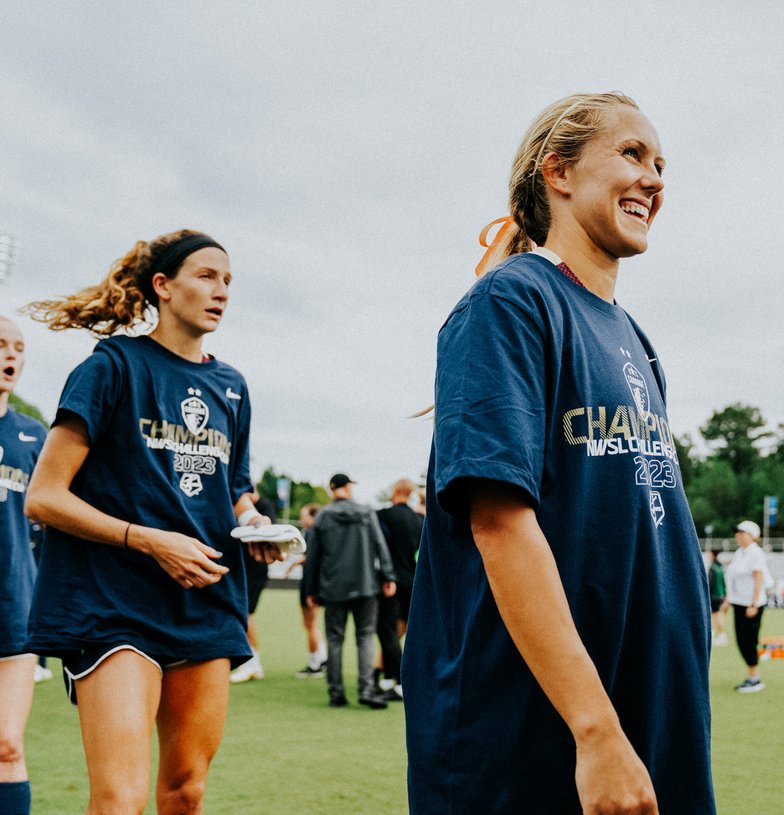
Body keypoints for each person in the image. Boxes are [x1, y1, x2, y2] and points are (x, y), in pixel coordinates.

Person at [404, 92, 714, 815]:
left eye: (662, 164)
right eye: (633, 154)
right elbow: (500, 525)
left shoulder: (635, 339)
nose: (654, 178)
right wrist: (595, 727)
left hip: (648, 718)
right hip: (535, 737)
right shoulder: (509, 305)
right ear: (559, 172)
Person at [21, 230, 281, 815]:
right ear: (162, 286)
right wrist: (146, 539)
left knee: (185, 793)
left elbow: (234, 485)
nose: (221, 292)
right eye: (206, 276)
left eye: (228, 281)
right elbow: (44, 497)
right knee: (119, 800)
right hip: (113, 603)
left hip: (205, 601)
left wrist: (254, 522)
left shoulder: (232, 386)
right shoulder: (113, 366)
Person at [0, 316, 46, 815]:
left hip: (15, 610)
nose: (11, 355)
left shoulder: (34, 437)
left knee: (7, 746)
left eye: (18, 347)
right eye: (0, 345)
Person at [302, 474, 395, 709]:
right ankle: (366, 689)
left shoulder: (323, 516)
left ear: (332, 489)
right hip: (366, 585)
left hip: (333, 588)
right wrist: (388, 575)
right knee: (364, 638)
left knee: (334, 639)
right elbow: (380, 545)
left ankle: (336, 693)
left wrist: (311, 589)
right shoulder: (366, 512)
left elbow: (313, 556)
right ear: (347, 487)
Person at [373, 478, 422, 700]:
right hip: (412, 581)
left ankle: (399, 681)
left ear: (395, 490)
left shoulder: (383, 515)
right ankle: (382, 676)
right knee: (398, 633)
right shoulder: (418, 520)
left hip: (389, 582)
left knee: (388, 633)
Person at [229, 491, 277, 683]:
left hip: (255, 570)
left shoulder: (264, 507)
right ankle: (250, 664)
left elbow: (266, 532)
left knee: (244, 614)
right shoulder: (235, 503)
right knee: (241, 614)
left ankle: (251, 664)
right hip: (241, 569)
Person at [721, 520, 768, 692]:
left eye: (742, 532)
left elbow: (758, 579)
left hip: (751, 604)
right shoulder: (739, 553)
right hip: (739, 603)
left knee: (748, 640)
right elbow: (733, 579)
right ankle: (752, 675)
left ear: (752, 535)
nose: (737, 536)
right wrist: (728, 600)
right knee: (741, 640)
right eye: (737, 532)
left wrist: (753, 603)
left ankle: (755, 678)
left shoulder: (756, 553)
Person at [286, 502, 327, 677]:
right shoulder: (316, 532)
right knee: (311, 624)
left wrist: (293, 563)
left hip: (311, 585)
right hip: (314, 583)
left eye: (304, 516)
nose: (302, 520)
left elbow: (309, 557)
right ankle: (322, 658)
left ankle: (315, 663)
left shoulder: (312, 532)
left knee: (310, 624)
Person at [705, 550, 727, 646]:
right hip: (720, 595)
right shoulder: (720, 567)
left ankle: (721, 635)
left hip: (714, 595)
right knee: (716, 615)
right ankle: (716, 635)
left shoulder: (713, 568)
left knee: (716, 616)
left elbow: (710, 583)